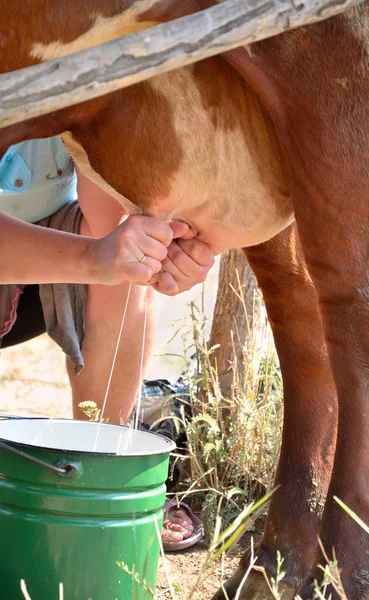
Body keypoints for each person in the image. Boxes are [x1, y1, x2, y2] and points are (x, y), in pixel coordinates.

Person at [0, 137, 215, 545]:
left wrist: (166, 252)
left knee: (130, 259)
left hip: (42, 246)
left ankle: (105, 478)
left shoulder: (69, 74)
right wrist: (93, 258)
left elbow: (111, 222)